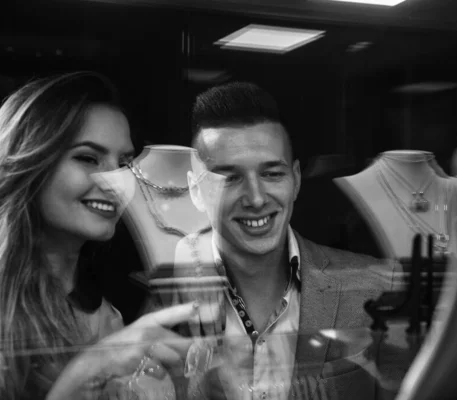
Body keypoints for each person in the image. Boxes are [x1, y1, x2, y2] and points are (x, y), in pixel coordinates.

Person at [0, 71, 197, 400]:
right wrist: (88, 371)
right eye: (88, 158)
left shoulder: (117, 311)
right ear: (29, 165)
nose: (117, 181)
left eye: (125, 163)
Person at [170, 82, 404, 400]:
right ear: (196, 190)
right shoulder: (164, 296)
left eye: (271, 174)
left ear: (295, 180)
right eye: (229, 178)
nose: (255, 198)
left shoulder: (374, 289)